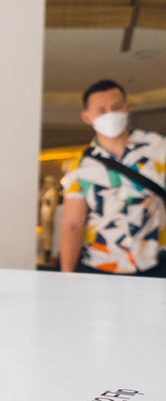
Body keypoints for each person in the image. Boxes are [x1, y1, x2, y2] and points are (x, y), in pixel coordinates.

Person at [59, 79, 166, 276]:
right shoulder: (80, 166)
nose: (110, 114)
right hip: (100, 267)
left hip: (154, 265)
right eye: (101, 110)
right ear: (87, 117)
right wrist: (67, 277)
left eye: (116, 107)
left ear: (127, 108)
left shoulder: (159, 148)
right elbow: (73, 224)